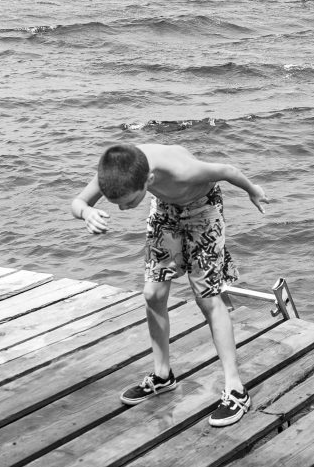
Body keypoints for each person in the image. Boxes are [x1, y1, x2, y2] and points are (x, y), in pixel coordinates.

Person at [70, 143, 268, 427]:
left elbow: (227, 170)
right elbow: (78, 202)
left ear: (149, 180)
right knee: (152, 293)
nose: (123, 209)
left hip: (203, 210)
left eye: (128, 201)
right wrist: (86, 213)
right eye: (118, 204)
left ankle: (236, 389)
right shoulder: (118, 170)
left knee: (207, 297)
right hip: (165, 210)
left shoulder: (182, 170)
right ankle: (163, 375)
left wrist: (253, 190)